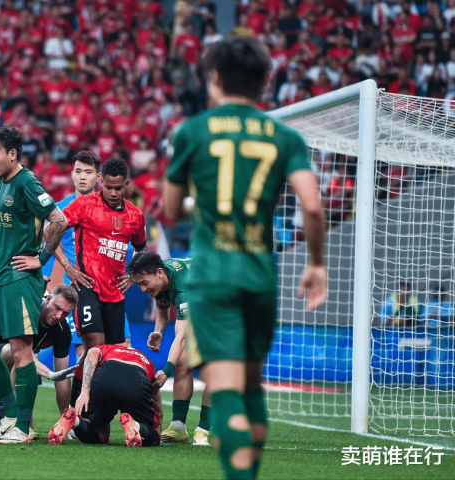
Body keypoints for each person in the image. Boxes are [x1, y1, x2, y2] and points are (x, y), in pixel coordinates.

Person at [164, 37, 327, 480]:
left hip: (213, 276)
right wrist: (316, 264)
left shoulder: (193, 131)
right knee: (252, 386)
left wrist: (202, 200)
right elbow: (313, 207)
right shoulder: (285, 136)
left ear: (214, 78)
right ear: (265, 81)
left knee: (224, 390)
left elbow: (171, 209)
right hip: (260, 275)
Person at [0, 126, 68, 444]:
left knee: (22, 351)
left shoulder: (27, 182)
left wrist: (42, 258)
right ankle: (10, 415)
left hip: (19, 280)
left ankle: (23, 428)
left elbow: (59, 220)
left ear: (13, 154)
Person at [44, 156, 147, 408]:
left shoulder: (135, 216)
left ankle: (97, 413)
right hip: (86, 290)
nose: (112, 193)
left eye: (118, 188)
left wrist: (133, 276)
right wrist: (69, 267)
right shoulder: (84, 205)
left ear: (127, 185)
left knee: (114, 355)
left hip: (115, 294)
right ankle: (79, 411)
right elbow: (50, 231)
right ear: (102, 182)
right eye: (108, 187)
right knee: (94, 348)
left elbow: (141, 249)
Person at [0, 284, 80, 439]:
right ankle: (15, 421)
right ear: (48, 299)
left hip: (23, 362)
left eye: (65, 313)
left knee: (25, 365)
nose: (58, 316)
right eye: (57, 308)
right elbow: (22, 352)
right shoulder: (28, 310)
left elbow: (62, 377)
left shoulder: (62, 330)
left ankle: (23, 427)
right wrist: (49, 373)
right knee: (18, 355)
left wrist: (66, 420)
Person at [128, 251, 211, 446]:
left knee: (214, 368)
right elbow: (162, 306)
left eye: (144, 283)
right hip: (202, 305)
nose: (142, 289)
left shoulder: (183, 288)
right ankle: (178, 427)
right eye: (138, 284)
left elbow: (181, 336)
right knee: (182, 362)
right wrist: (158, 331)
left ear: (159, 273)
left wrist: (166, 371)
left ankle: (203, 430)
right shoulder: (161, 278)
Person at [48, 344, 163, 448]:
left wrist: (85, 392)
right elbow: (155, 397)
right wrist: (158, 429)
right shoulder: (147, 360)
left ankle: (75, 422)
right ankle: (136, 426)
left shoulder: (109, 348)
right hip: (136, 379)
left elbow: (92, 352)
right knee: (154, 436)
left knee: (100, 437)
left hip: (105, 378)